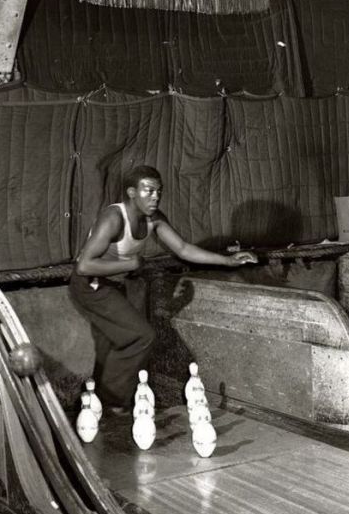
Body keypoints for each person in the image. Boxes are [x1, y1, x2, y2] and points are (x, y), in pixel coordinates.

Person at [69, 165, 257, 414]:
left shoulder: (154, 218)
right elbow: (84, 266)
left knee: (112, 345)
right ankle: (111, 402)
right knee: (141, 335)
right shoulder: (114, 218)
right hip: (90, 285)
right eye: (148, 191)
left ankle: (91, 404)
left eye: (159, 191)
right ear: (132, 192)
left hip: (113, 285)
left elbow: (183, 249)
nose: (155, 197)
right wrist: (130, 264)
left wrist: (228, 261)